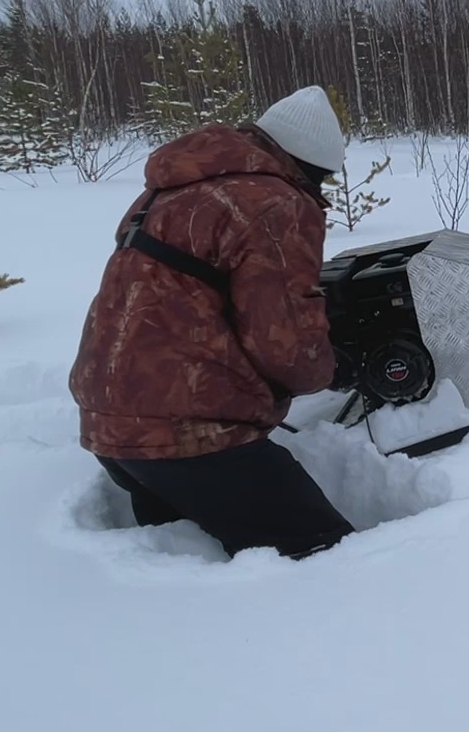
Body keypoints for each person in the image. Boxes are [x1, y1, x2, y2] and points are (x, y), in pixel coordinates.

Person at [69, 85, 355, 559]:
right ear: (307, 165)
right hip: (191, 435)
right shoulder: (276, 203)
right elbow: (284, 342)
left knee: (193, 564)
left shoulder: (174, 188)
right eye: (322, 179)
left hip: (110, 422)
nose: (320, 191)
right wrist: (330, 367)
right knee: (330, 560)